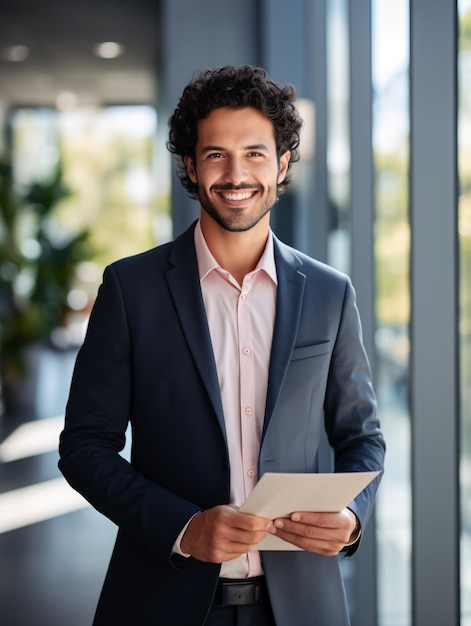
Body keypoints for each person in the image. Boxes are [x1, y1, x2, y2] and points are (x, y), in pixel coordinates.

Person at [59, 65, 385, 626]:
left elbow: (363, 438)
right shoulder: (130, 289)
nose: (237, 174)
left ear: (282, 164)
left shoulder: (331, 293)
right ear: (189, 165)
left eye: (256, 153)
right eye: (216, 154)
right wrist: (183, 527)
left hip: (302, 605)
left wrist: (352, 516)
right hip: (163, 601)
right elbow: (85, 446)